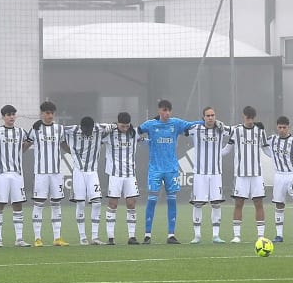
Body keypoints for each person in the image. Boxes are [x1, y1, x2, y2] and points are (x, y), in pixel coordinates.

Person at [138, 99, 198, 244]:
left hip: (171, 169)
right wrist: (144, 141)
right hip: (155, 169)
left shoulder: (175, 123)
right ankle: (147, 235)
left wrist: (207, 122)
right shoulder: (150, 125)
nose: (167, 113)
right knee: (152, 200)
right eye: (164, 110)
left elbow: (191, 125)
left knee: (172, 201)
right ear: (159, 110)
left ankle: (171, 235)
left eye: (168, 110)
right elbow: (135, 132)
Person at [25, 101, 72, 246]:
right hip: (41, 173)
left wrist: (75, 153)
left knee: (56, 203)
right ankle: (37, 238)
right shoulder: (35, 129)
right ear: (42, 114)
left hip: (56, 173)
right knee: (39, 203)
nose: (50, 115)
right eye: (47, 113)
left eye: (52, 113)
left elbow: (64, 145)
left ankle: (57, 238)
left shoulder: (59, 129)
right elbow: (26, 145)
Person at [226, 105, 270, 244]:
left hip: (256, 174)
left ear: (254, 117)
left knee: (258, 203)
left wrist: (277, 157)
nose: (250, 120)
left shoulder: (260, 131)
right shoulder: (237, 131)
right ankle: (237, 236)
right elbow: (227, 149)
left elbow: (266, 149)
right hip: (241, 174)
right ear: (243, 116)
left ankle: (261, 236)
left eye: (252, 118)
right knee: (239, 203)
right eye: (248, 117)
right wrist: (216, 154)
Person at [185, 107, 229, 244]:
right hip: (200, 173)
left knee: (216, 204)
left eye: (213, 115)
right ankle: (197, 235)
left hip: (216, 173)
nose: (210, 118)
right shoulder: (195, 129)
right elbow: (181, 128)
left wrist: (225, 125)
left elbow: (236, 131)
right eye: (208, 115)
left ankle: (216, 235)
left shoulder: (221, 128)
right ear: (203, 117)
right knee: (198, 204)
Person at [0, 104, 31, 247]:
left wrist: (24, 147)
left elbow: (25, 146)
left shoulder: (21, 132)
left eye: (13, 114)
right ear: (3, 117)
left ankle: (19, 239)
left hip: (17, 173)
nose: (11, 117)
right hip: (1, 174)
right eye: (8, 115)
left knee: (17, 204)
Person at [64, 116, 108, 245]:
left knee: (97, 202)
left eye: (89, 130)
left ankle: (94, 237)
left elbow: (116, 126)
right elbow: (57, 129)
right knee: (81, 204)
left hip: (92, 171)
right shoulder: (72, 130)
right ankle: (82, 237)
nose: (87, 132)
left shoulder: (99, 129)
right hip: (78, 171)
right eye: (85, 130)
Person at [101, 113, 142, 244]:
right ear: (117, 123)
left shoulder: (134, 134)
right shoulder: (109, 134)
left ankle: (132, 236)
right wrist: (108, 127)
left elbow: (148, 128)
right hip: (115, 175)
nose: (125, 128)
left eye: (127, 126)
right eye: (122, 126)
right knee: (113, 204)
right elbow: (95, 133)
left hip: (130, 175)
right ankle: (110, 237)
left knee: (131, 203)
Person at [266, 115, 293, 243]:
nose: (282, 130)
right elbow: (263, 146)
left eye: (284, 127)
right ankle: (279, 235)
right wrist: (272, 156)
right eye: (280, 127)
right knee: (279, 204)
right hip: (279, 175)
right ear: (276, 127)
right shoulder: (272, 139)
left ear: (288, 127)